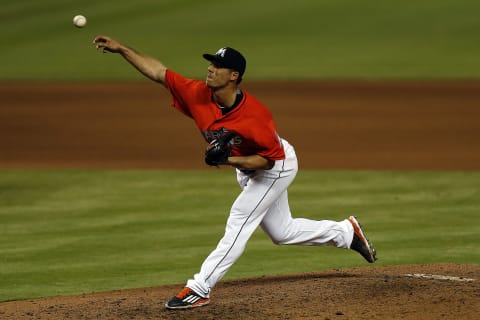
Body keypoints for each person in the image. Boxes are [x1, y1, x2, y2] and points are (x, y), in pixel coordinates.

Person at [92, 35, 377, 310]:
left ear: (234, 76)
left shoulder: (255, 116)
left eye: (218, 65)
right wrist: (122, 49)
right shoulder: (197, 93)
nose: (210, 68)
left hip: (275, 166)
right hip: (249, 166)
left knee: (240, 217)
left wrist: (227, 159)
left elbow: (268, 162)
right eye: (211, 63)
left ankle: (200, 287)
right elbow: (159, 72)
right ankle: (345, 233)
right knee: (282, 232)